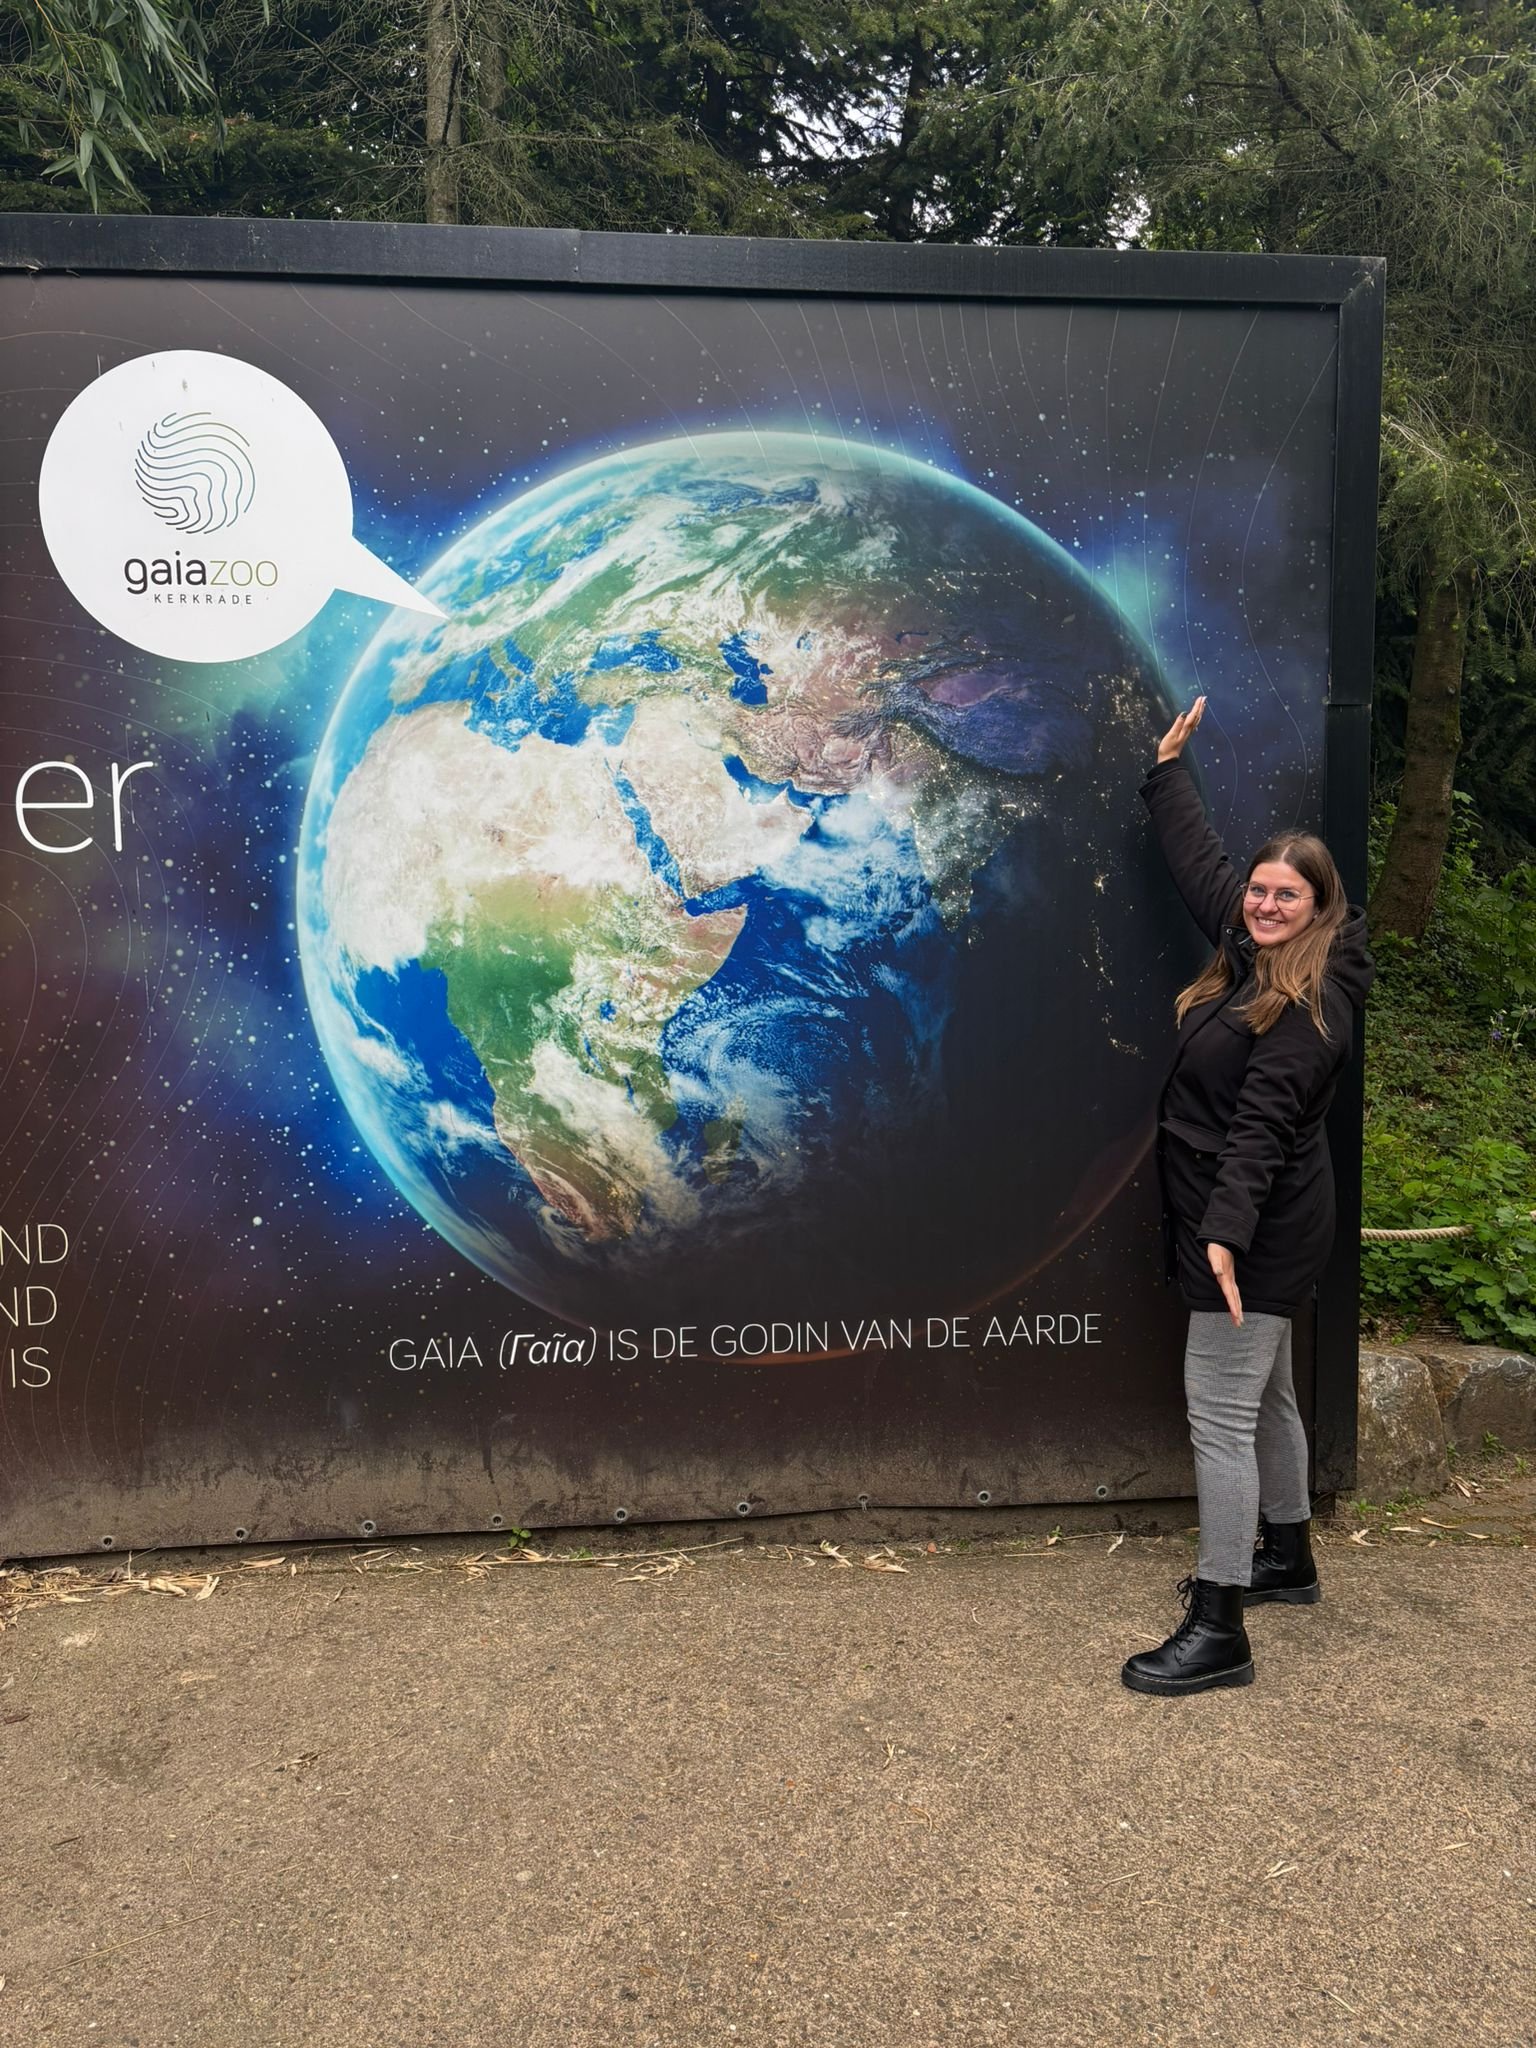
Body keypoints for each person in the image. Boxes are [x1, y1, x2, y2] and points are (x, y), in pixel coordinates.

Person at [1121, 694, 1374, 1696]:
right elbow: (1208, 875)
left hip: (1255, 1229)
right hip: (1261, 1224)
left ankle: (1220, 1621)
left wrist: (1222, 1238)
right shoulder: (1259, 952)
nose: (1264, 903)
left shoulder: (1309, 1004)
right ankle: (1290, 1555)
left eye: (1286, 895)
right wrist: (1168, 773)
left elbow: (1263, 1129)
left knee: (1219, 1415)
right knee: (1265, 1393)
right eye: (1262, 891)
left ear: (1322, 908)